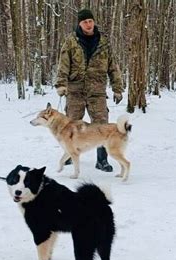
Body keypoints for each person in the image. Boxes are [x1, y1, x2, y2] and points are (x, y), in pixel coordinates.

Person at [55, 9, 123, 172]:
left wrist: (117, 88)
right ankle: (70, 155)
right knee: (71, 124)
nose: (88, 24)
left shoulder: (103, 42)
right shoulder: (71, 41)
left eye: (90, 21)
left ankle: (102, 160)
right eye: (84, 21)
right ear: (80, 23)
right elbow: (63, 64)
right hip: (75, 90)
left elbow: (113, 66)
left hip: (97, 91)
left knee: (101, 125)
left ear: (93, 22)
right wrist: (61, 84)